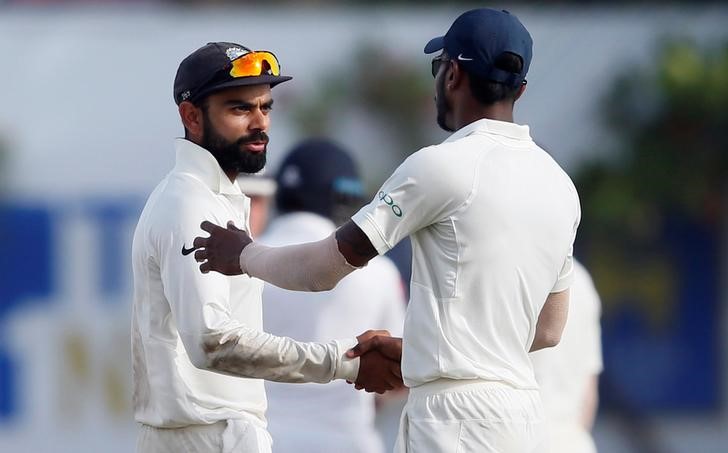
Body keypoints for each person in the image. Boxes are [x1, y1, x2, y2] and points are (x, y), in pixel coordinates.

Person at [192, 8, 580, 452]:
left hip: (453, 418)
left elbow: (323, 270)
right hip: (524, 418)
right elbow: (548, 329)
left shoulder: (441, 165)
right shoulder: (559, 184)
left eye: (438, 68)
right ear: (521, 89)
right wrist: (428, 350)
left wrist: (243, 254)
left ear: (451, 74)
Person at [131, 42, 401, 453]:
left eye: (266, 107)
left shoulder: (217, 198)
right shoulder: (191, 204)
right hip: (208, 436)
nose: (260, 122)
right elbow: (213, 343)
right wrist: (345, 363)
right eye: (240, 108)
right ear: (191, 116)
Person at [261, 138, 407, 453]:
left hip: (259, 442)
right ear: (346, 199)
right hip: (348, 441)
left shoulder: (242, 266)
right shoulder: (379, 273)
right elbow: (399, 376)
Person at [531, 259, 603, 453]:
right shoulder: (583, 280)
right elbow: (589, 392)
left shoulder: (520, 269)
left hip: (525, 435)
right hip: (573, 440)